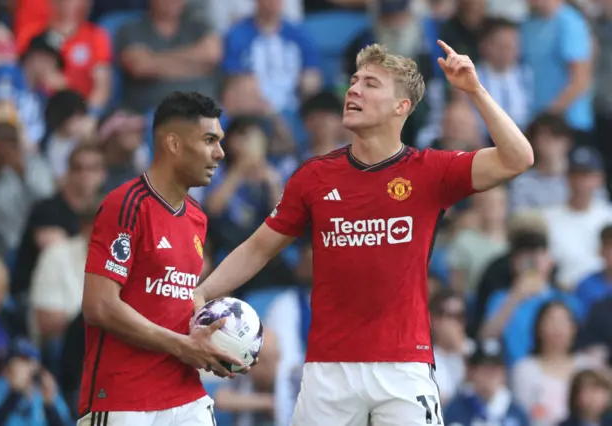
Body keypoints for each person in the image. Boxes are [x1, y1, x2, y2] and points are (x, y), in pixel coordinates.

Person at [194, 40, 534, 425]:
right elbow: (258, 248)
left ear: (401, 106)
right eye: (353, 81)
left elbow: (518, 157)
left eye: (371, 84)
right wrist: (204, 290)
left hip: (404, 367)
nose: (353, 89)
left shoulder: (430, 170)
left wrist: (474, 90)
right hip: (328, 370)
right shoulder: (314, 176)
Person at [78, 91, 244, 426]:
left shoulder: (197, 217)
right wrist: (182, 346)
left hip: (185, 394)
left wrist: (224, 343)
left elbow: (174, 300)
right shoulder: (125, 205)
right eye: (210, 140)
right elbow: (99, 306)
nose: (220, 153)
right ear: (174, 144)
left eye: (220, 141)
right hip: (124, 397)